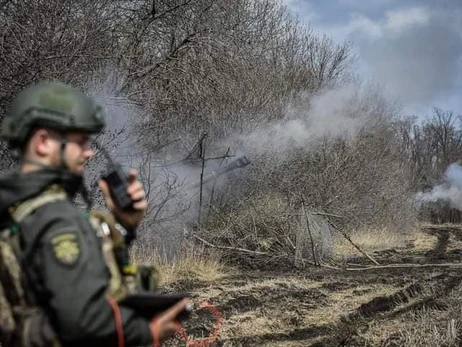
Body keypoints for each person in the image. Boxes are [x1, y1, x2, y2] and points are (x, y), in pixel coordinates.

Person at [0, 81, 189, 346]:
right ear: (43, 143)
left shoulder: (15, 207)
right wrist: (149, 331)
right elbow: (84, 321)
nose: (89, 152)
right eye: (80, 141)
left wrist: (125, 227)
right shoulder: (57, 218)